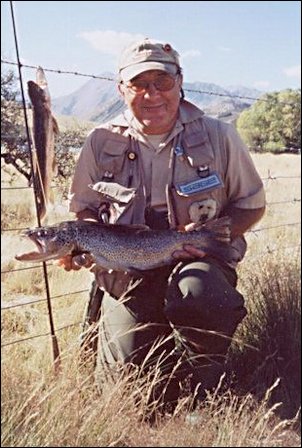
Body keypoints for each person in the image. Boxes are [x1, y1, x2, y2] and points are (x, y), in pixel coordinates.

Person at [59, 38, 266, 410]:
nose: (152, 94)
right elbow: (85, 211)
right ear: (122, 89)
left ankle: (206, 390)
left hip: (197, 260)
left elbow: (251, 206)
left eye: (163, 82)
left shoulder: (220, 136)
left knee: (200, 294)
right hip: (127, 268)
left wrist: (213, 237)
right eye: (139, 83)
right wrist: (85, 245)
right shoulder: (99, 141)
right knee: (129, 398)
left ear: (180, 81)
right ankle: (152, 362)